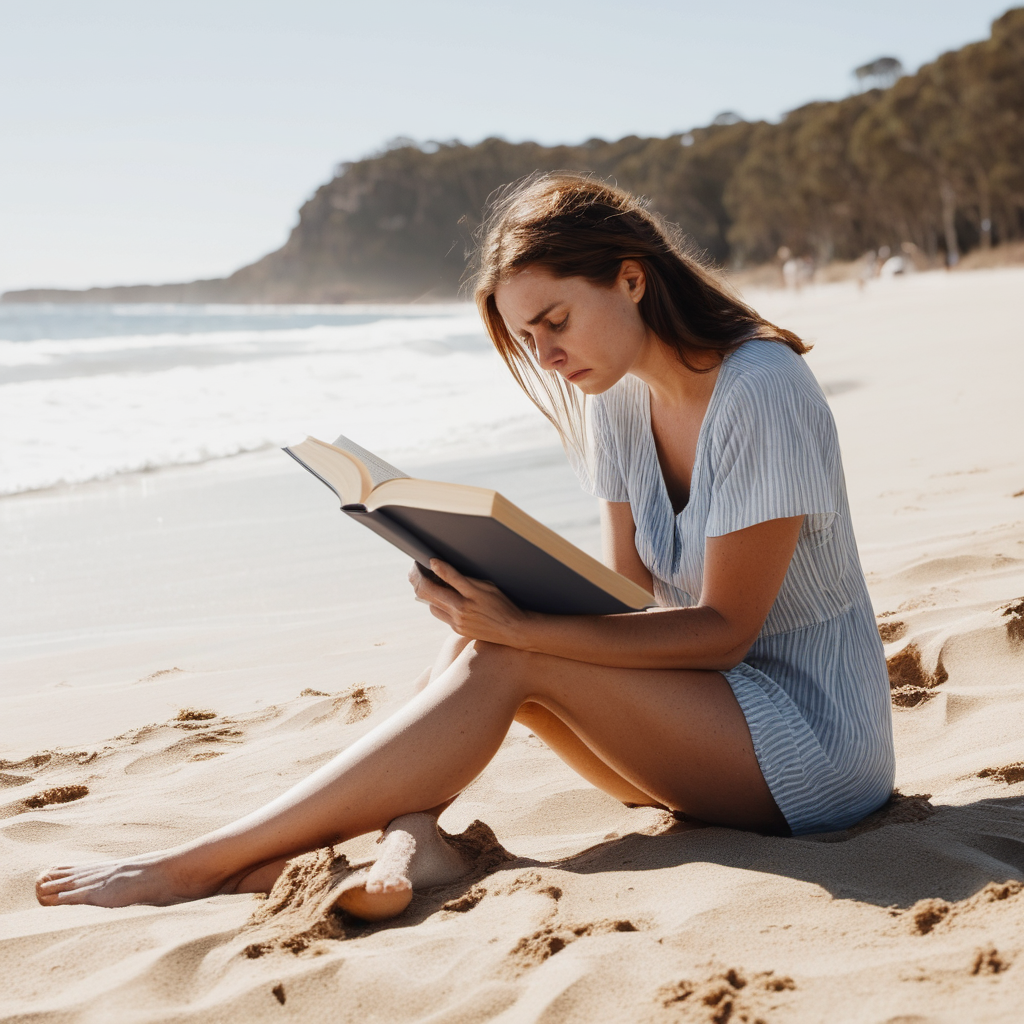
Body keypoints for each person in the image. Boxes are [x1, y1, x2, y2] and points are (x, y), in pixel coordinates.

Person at [36, 174, 895, 920]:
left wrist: (523, 632)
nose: (549, 355)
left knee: (509, 655)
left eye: (555, 321)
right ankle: (413, 843)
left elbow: (722, 632)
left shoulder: (763, 391)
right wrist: (488, 586)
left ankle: (198, 865)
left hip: (811, 753)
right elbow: (625, 600)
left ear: (632, 278)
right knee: (485, 633)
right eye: (528, 339)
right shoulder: (619, 401)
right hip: (699, 723)